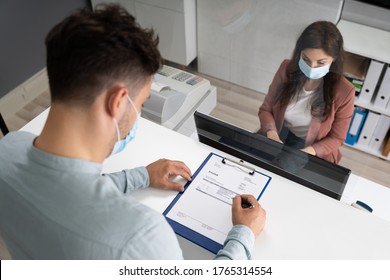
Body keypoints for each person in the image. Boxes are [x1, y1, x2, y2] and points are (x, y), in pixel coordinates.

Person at [0, 4, 266, 260]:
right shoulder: (140, 238)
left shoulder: (8, 149)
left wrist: (142, 176)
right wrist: (243, 235)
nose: (139, 112)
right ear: (117, 102)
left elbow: (61, 193)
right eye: (141, 102)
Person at [258, 21, 355, 164]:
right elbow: (265, 110)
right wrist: (271, 133)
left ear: (334, 59)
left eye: (321, 63)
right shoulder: (287, 68)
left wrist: (310, 151)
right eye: (306, 59)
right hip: (279, 131)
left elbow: (337, 138)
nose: (312, 67)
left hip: (311, 145)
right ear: (299, 53)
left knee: (282, 170)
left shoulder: (344, 91)